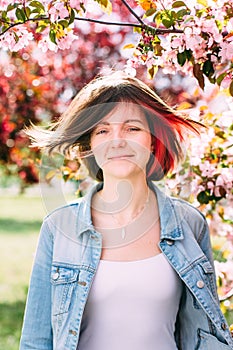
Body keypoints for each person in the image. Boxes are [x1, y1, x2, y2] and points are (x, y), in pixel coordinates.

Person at [20, 71, 233, 350]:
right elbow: (36, 342)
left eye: (132, 128)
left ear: (153, 139)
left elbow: (203, 334)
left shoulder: (189, 224)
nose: (117, 141)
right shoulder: (59, 227)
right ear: (91, 144)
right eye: (103, 130)